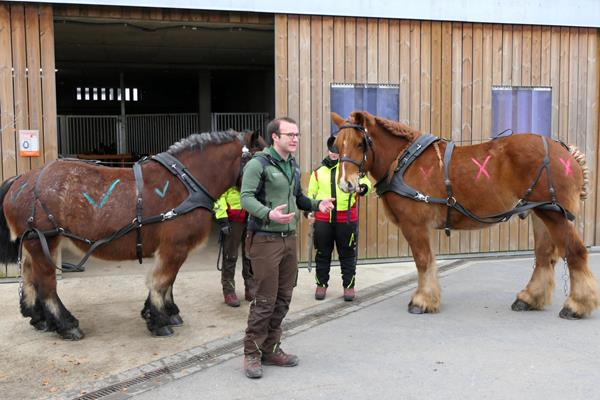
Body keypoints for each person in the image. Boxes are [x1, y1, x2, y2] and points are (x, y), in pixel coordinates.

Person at [240, 117, 335, 379]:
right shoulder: (258, 164)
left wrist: (317, 205)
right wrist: (268, 214)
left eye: (297, 134)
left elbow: (299, 198)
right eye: (290, 134)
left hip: (288, 239)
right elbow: (245, 198)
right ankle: (252, 354)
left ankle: (270, 348)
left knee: (283, 298)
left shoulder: (292, 164)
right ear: (275, 137)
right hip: (264, 240)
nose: (295, 139)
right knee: (265, 300)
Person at [307, 136, 372, 302]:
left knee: (348, 254)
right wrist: (309, 212)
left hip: (346, 219)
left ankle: (348, 286)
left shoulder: (350, 169)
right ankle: (321, 284)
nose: (334, 154)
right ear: (328, 150)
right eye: (332, 150)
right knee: (322, 254)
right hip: (323, 220)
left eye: (337, 151)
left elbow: (366, 183)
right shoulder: (317, 172)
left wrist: (362, 187)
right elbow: (310, 196)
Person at [213, 187, 254, 307]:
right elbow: (218, 195)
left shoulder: (251, 169)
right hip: (233, 219)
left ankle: (250, 287)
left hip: (251, 217)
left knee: (250, 255)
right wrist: (222, 218)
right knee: (230, 255)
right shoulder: (230, 172)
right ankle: (229, 291)